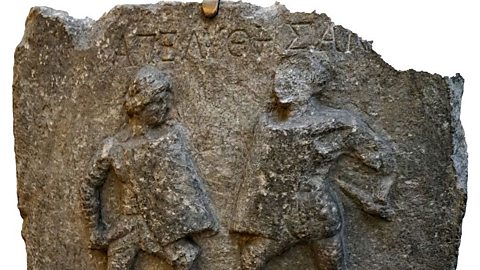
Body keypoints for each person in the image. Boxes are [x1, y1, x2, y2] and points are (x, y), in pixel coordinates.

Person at [231, 53, 396, 270]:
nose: (283, 84)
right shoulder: (268, 124)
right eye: (281, 77)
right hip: (279, 211)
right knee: (252, 258)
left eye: (295, 78)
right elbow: (256, 175)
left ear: (313, 86)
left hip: (317, 212)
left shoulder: (337, 123)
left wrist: (379, 195)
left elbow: (384, 161)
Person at [81, 65, 218, 270]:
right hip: (128, 225)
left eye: (166, 101)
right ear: (140, 105)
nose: (165, 108)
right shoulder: (114, 146)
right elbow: (89, 186)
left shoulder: (168, 139)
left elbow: (183, 186)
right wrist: (95, 228)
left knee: (186, 259)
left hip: (160, 224)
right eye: (157, 102)